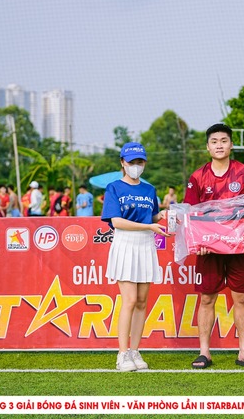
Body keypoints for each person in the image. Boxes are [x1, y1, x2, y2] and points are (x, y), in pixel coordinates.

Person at [184, 123, 244, 369]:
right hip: (209, 250)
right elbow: (191, 214)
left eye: (224, 141)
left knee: (241, 298)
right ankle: (204, 352)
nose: (219, 145)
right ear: (208, 147)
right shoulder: (197, 176)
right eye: (214, 141)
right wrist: (200, 242)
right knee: (207, 299)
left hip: (239, 247)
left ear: (231, 145)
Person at [102, 142, 169, 372]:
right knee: (129, 301)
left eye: (140, 162)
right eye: (131, 162)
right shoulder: (114, 188)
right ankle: (122, 354)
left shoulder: (149, 190)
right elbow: (116, 222)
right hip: (125, 244)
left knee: (142, 302)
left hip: (145, 245)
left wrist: (166, 215)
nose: (136, 166)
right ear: (122, 162)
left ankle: (135, 351)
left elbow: (153, 216)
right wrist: (149, 226)